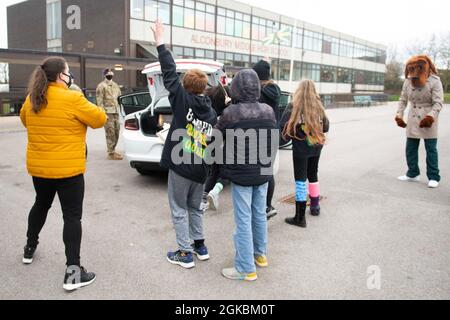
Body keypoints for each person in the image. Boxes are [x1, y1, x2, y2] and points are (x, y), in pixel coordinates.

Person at [20, 57, 107, 291]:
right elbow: (100, 119)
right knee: (71, 217)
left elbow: (25, 120)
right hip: (69, 171)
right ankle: (73, 271)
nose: (70, 76)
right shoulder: (73, 97)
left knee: (41, 204)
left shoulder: (32, 98)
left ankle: (29, 248)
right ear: (61, 76)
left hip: (40, 169)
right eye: (68, 72)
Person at [151, 20, 217, 269]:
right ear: (203, 88)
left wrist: (160, 42)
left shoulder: (181, 99)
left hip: (181, 166)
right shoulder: (212, 113)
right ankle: (200, 246)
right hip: (200, 169)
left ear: (186, 87)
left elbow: (169, 72)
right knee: (195, 208)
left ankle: (185, 252)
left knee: (179, 208)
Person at [216, 69, 277, 281]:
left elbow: (214, 138)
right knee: (259, 214)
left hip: (242, 173)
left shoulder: (231, 113)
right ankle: (260, 255)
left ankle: (245, 268)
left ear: (235, 88)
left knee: (243, 219)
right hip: (263, 172)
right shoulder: (268, 110)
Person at [280, 80, 329, 228]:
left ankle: (300, 217)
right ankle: (315, 206)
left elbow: (283, 127)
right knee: (313, 174)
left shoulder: (293, 106)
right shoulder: (318, 106)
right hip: (316, 145)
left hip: (301, 148)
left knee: (300, 180)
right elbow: (326, 126)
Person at [395, 55, 444, 188]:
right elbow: (403, 99)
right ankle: (413, 173)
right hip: (413, 116)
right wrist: (399, 114)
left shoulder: (435, 81)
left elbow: (438, 103)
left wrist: (430, 117)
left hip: (428, 118)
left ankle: (433, 176)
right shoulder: (407, 81)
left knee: (431, 149)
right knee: (410, 148)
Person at [252, 59, 282, 220]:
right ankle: (266, 205)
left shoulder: (260, 92)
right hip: (272, 133)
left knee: (263, 171)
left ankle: (265, 206)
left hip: (262, 134)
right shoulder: (274, 89)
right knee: (266, 170)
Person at [202, 84, 232, 211]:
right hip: (223, 146)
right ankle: (213, 192)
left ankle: (203, 197)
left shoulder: (208, 110)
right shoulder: (227, 113)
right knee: (226, 173)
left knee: (213, 171)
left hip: (209, 145)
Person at [96, 68, 123, 160]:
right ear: (104, 74)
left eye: (111, 72)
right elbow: (99, 101)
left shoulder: (115, 85)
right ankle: (110, 153)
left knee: (117, 132)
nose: (110, 73)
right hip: (108, 113)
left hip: (116, 112)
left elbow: (119, 98)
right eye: (108, 72)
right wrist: (103, 113)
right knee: (110, 132)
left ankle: (113, 150)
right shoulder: (101, 86)